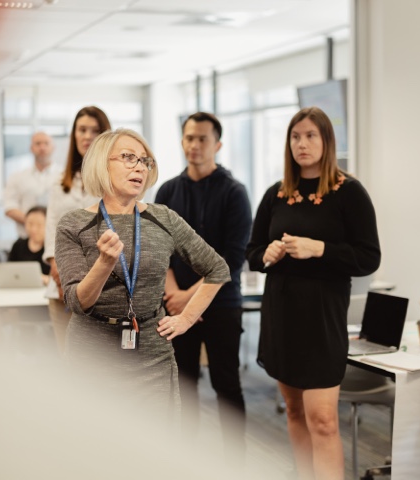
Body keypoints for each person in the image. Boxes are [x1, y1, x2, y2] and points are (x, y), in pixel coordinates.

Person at [54, 128, 230, 416]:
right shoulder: (73, 224)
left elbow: (217, 268)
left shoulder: (163, 218)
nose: (139, 166)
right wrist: (104, 264)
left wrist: (186, 318)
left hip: (151, 357)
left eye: (145, 161)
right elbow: (77, 301)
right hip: (92, 358)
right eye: (128, 157)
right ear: (101, 162)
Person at [245, 107, 380, 480]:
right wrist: (266, 254)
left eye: (310, 136)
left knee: (322, 418)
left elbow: (369, 258)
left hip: (322, 318)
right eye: (295, 137)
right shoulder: (276, 193)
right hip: (282, 314)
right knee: (293, 410)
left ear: (326, 141)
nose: (302, 144)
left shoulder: (348, 192)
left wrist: (318, 248)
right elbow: (252, 252)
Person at [154, 112, 251, 453]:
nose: (194, 145)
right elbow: (159, 251)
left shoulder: (234, 193)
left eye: (202, 139)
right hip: (175, 305)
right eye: (189, 138)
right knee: (183, 386)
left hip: (221, 304)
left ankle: (235, 465)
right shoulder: (167, 191)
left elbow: (232, 258)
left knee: (227, 385)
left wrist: (192, 300)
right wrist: (173, 296)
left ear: (218, 144)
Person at [44, 106, 110, 354]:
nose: (87, 136)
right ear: (73, 134)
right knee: (68, 363)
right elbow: (51, 225)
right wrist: (55, 266)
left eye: (95, 130)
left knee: (97, 366)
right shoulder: (59, 181)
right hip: (60, 284)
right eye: (82, 129)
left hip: (101, 288)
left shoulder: (112, 182)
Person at [3, 132, 59, 239]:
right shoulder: (17, 177)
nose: (42, 147)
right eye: (38, 144)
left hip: (56, 239)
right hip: (25, 240)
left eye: (46, 143)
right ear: (31, 148)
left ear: (53, 147)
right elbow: (9, 207)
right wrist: (34, 223)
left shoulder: (64, 176)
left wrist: (48, 224)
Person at [7, 205, 51, 285]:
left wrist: (46, 279)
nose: (34, 229)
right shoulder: (18, 245)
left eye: (39, 225)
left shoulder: (52, 248)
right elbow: (9, 272)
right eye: (30, 224)